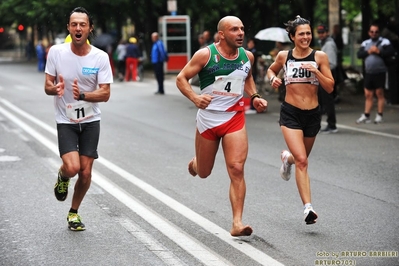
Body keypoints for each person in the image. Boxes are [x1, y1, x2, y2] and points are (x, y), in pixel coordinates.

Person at [176, 16, 267, 237]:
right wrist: (196, 99)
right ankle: (198, 162)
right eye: (234, 29)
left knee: (236, 169)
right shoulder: (206, 55)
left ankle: (237, 222)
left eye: (242, 28)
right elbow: (181, 78)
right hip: (208, 120)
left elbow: (246, 78)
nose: (240, 33)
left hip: (233, 118)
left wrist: (254, 96)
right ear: (222, 34)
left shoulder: (248, 56)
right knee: (205, 172)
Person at [44, 6, 113, 231]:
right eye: (74, 24)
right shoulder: (56, 52)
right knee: (72, 168)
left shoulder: (100, 57)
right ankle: (63, 177)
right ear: (68, 28)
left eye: (82, 24)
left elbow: (105, 93)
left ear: (89, 28)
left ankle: (73, 213)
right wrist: (55, 90)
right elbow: (47, 86)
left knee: (85, 172)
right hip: (66, 119)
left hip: (91, 119)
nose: (78, 28)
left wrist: (83, 95)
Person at [267, 15, 334, 225]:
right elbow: (271, 69)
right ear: (292, 37)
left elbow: (330, 87)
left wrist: (317, 72)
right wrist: (273, 78)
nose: (306, 37)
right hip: (291, 113)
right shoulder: (284, 56)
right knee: (303, 161)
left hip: (313, 114)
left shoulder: (320, 57)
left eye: (308, 33)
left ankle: (287, 159)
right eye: (301, 34)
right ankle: (308, 209)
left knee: (299, 157)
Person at [356, 23, 396, 124]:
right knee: (368, 94)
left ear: (379, 32)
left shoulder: (384, 42)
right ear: (369, 32)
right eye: (372, 32)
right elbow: (359, 54)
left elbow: (391, 52)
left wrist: (378, 51)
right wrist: (369, 52)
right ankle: (367, 115)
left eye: (376, 32)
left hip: (380, 71)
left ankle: (380, 115)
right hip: (369, 72)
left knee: (379, 93)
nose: (374, 33)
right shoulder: (366, 43)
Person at [317, 24, 338, 133]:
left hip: (327, 75)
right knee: (322, 100)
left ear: (327, 33)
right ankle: (320, 124)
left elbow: (332, 63)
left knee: (327, 100)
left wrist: (319, 68)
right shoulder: (324, 43)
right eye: (319, 33)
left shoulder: (329, 44)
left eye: (322, 32)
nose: (321, 35)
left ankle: (332, 125)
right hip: (324, 74)